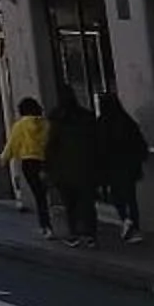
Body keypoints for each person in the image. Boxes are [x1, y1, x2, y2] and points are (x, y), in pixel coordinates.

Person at [44, 93, 101, 247]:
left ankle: (74, 234)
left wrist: (48, 168)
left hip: (64, 170)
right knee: (87, 203)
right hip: (86, 168)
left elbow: (51, 148)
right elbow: (96, 143)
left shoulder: (57, 122)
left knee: (70, 204)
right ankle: (90, 235)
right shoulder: (86, 119)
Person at [95, 91, 152, 243]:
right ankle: (135, 227)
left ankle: (125, 219)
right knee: (131, 197)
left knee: (117, 196)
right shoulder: (126, 121)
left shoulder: (102, 123)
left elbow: (98, 147)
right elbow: (138, 143)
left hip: (111, 166)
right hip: (128, 165)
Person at [0, 96, 54, 234]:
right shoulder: (46, 124)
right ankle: (49, 219)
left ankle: (46, 226)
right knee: (45, 192)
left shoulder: (20, 126)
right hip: (45, 162)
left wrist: (4, 158)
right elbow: (51, 142)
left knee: (38, 195)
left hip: (29, 163)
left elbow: (12, 144)